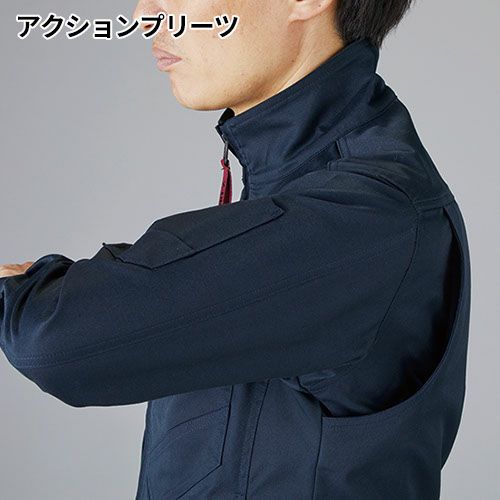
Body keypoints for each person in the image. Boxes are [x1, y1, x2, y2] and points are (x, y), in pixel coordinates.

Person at [0, 1, 471, 499]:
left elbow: (55, 338)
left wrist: (29, 291)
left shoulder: (367, 217)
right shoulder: (296, 183)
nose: (145, 13)